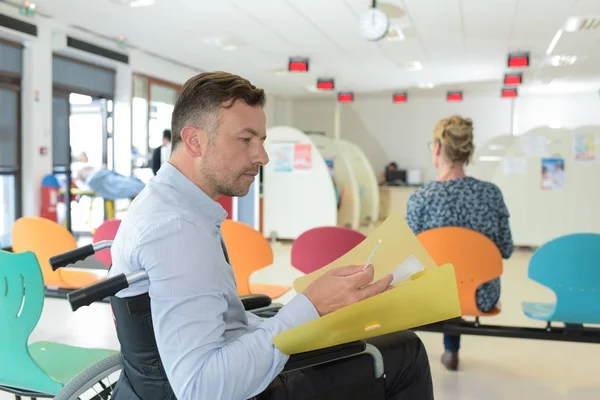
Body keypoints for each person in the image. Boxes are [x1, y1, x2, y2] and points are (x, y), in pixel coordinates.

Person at [109, 71, 434, 400]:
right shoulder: (177, 232)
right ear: (195, 141)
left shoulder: (165, 206)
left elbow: (213, 326)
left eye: (261, 140)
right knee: (407, 351)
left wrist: (311, 311)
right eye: (246, 139)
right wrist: (310, 305)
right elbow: (202, 388)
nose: (262, 156)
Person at [406, 115, 514, 371]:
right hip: (481, 294)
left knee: (444, 278)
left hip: (432, 297)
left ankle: (429, 354)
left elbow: (409, 257)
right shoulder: (491, 194)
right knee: (458, 277)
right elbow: (506, 249)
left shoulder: (420, 198)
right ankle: (451, 349)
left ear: (437, 147)